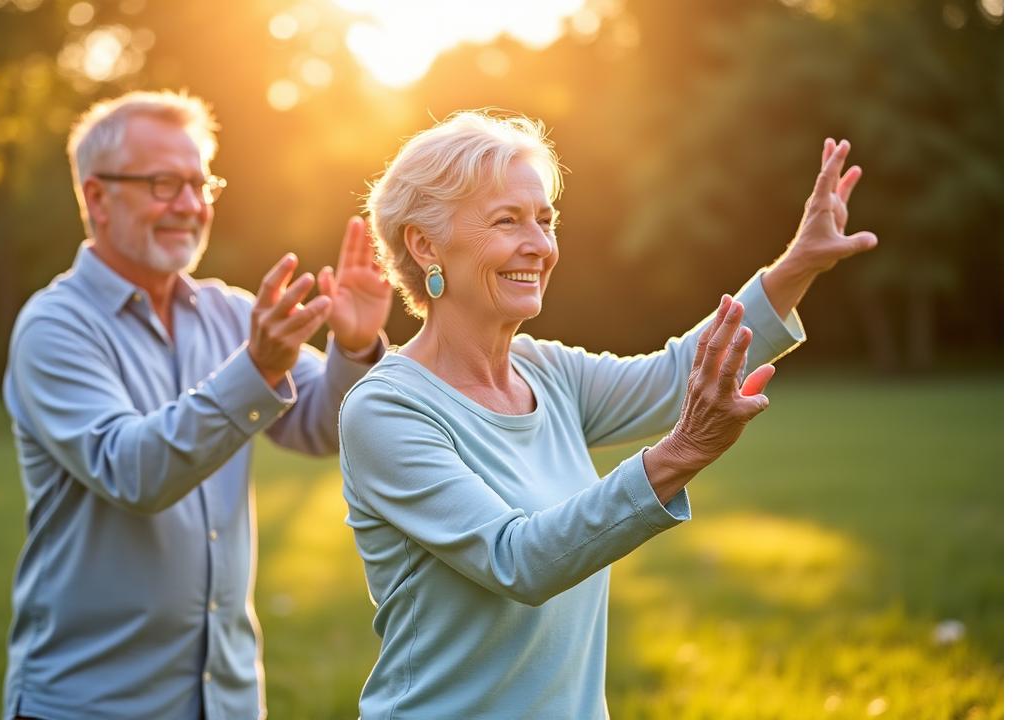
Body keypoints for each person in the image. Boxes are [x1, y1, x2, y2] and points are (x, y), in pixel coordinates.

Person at [338, 111, 877, 718]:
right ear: (424, 243)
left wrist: (798, 263)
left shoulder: (548, 371)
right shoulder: (386, 410)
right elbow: (516, 560)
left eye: (544, 220)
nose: (539, 245)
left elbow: (676, 377)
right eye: (507, 221)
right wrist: (683, 453)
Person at [1, 90, 392, 720]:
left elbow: (325, 426)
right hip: (90, 703)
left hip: (228, 701)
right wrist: (258, 369)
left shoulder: (231, 312)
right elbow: (133, 471)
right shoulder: (55, 327)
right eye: (163, 183)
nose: (188, 205)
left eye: (199, 183)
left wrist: (354, 344)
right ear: (97, 198)